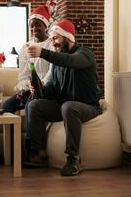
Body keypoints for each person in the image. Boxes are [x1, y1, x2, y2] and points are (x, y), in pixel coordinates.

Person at [24, 19, 102, 176]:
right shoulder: (57, 63)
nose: (53, 43)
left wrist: (43, 53)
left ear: (68, 37)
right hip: (64, 106)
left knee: (69, 106)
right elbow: (52, 89)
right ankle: (39, 153)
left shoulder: (85, 54)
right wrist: (38, 90)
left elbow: (71, 62)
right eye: (51, 39)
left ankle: (73, 159)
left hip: (87, 106)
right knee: (34, 105)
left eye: (55, 38)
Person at [2, 5, 53, 113]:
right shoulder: (26, 47)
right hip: (30, 90)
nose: (34, 29)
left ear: (45, 26)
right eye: (32, 26)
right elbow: (24, 75)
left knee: (30, 105)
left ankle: (32, 130)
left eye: (38, 25)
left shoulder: (52, 45)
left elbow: (52, 72)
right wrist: (27, 86)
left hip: (47, 90)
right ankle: (13, 131)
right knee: (7, 106)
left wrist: (39, 85)